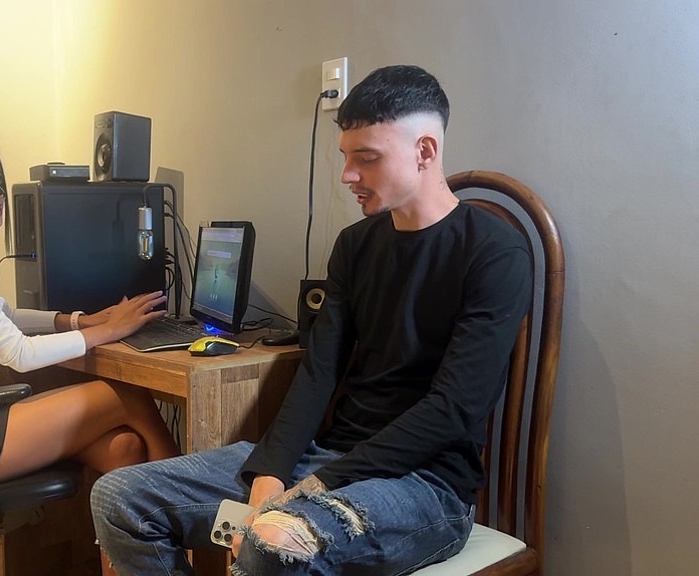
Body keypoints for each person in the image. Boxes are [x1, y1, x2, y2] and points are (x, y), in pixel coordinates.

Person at [90, 65, 532, 575]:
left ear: (425, 151)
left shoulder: (494, 251)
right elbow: (318, 371)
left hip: (425, 484)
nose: (347, 176)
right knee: (119, 498)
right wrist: (271, 473)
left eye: (366, 158)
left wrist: (320, 485)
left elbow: (453, 409)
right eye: (345, 157)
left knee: (277, 540)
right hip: (330, 456)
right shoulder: (355, 245)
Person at [0, 121, 179, 509]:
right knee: (128, 392)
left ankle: (142, 545)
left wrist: (78, 321)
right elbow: (19, 354)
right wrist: (109, 330)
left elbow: (3, 315)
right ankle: (189, 516)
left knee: (124, 448)